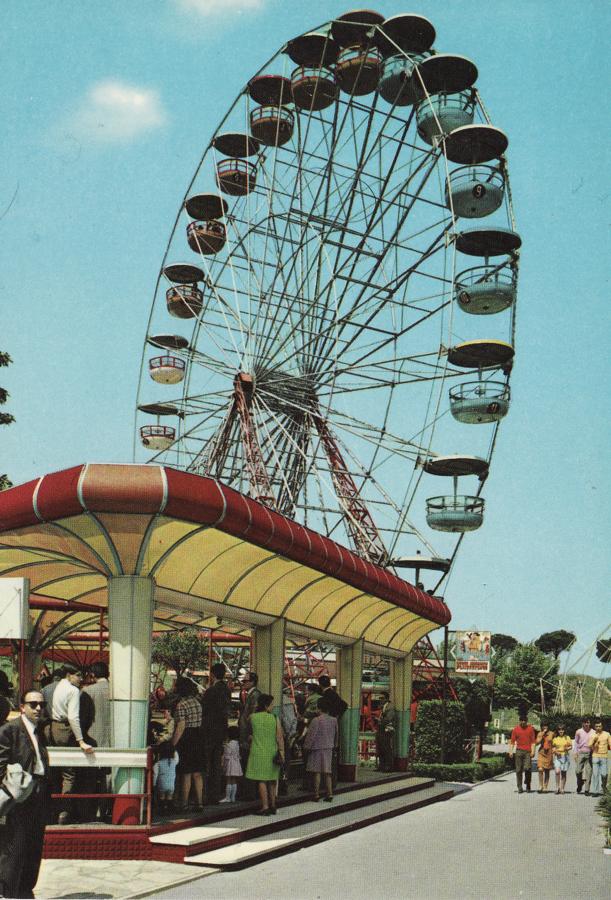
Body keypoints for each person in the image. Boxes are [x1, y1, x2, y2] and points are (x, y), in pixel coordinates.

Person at [0, 690, 50, 899]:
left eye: (41, 704)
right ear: (22, 707)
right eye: (33, 704)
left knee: (34, 841)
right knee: (15, 843)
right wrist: (14, 788)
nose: (38, 708)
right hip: (18, 795)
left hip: (39, 792)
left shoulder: (39, 731)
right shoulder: (9, 730)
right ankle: (8, 890)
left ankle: (25, 888)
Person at [44, 666, 93, 823]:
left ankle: (50, 809)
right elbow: (73, 717)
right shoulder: (73, 691)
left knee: (51, 770)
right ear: (68, 675)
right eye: (78, 675)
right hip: (64, 729)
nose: (80, 679)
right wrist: (80, 740)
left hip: (47, 728)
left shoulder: (46, 688)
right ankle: (63, 812)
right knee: (68, 773)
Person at [246, 693, 284, 816]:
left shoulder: (252, 717)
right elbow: (279, 737)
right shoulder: (274, 718)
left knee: (261, 780)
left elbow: (248, 733)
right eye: (271, 704)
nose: (273, 707)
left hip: (258, 752)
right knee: (272, 780)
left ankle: (265, 806)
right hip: (272, 752)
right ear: (266, 705)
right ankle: (273, 805)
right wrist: (282, 752)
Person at [170, 676, 205, 811]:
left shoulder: (181, 705)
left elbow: (181, 726)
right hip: (198, 736)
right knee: (197, 773)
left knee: (186, 773)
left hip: (187, 739)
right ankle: (199, 803)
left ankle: (184, 803)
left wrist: (173, 743)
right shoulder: (197, 702)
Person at [201, 662, 231, 804]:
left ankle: (205, 794)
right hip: (221, 730)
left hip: (208, 731)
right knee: (216, 764)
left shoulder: (210, 691)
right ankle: (216, 794)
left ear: (212, 675)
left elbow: (204, 710)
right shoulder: (227, 690)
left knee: (206, 763)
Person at [303, 694, 338, 802]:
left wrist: (306, 747)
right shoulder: (334, 720)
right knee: (327, 772)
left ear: (319, 708)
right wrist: (335, 745)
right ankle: (330, 794)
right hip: (328, 748)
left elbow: (311, 736)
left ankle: (316, 794)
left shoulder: (316, 720)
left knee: (316, 772)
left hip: (316, 749)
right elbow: (337, 734)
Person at [238, 672, 261, 799]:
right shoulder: (251, 695)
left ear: (252, 682)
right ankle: (249, 792)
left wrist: (251, 733)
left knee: (248, 763)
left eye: (245, 681)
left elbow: (253, 715)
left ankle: (249, 793)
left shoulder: (255, 695)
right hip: (246, 734)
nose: (243, 683)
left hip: (248, 735)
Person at [508, 715, 537, 793]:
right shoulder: (516, 729)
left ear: (527, 721)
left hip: (528, 752)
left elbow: (533, 742)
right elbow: (512, 742)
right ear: (520, 721)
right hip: (519, 751)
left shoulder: (530, 729)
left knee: (527, 768)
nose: (523, 722)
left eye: (525, 720)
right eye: (522, 720)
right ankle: (519, 787)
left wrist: (533, 751)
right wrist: (510, 751)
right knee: (518, 770)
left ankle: (528, 783)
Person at [220, 725, 242, 803]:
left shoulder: (228, 745)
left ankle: (227, 797)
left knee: (228, 780)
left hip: (230, 763)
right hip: (236, 763)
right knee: (234, 780)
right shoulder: (237, 744)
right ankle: (233, 797)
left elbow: (226, 755)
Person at [588, 720, 610, 797]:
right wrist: (594, 743)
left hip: (604, 756)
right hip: (595, 756)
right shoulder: (592, 735)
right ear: (594, 727)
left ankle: (604, 786)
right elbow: (589, 746)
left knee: (604, 774)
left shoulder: (607, 734)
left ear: (602, 726)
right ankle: (595, 791)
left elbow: (610, 745)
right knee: (595, 774)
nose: (598, 728)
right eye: (596, 726)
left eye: (599, 726)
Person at [376, 692, 396, 773]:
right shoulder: (384, 707)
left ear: (387, 699)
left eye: (382, 698)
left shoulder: (390, 707)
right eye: (380, 698)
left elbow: (389, 718)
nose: (380, 700)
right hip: (382, 729)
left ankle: (388, 766)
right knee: (380, 748)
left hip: (386, 729)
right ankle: (382, 766)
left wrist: (380, 720)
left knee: (385, 748)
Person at [573, 717, 594, 795]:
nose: (586, 724)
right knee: (578, 771)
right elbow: (576, 743)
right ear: (582, 723)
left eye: (588, 722)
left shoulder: (593, 732)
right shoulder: (578, 732)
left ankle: (587, 790)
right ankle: (580, 783)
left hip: (590, 753)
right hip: (581, 753)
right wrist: (575, 752)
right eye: (585, 723)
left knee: (589, 771)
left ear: (590, 723)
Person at [552, 724, 572, 794]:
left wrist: (567, 748)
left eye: (562, 730)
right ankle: (557, 787)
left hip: (565, 756)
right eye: (559, 730)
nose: (561, 731)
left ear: (564, 730)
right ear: (557, 731)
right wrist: (555, 751)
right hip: (558, 756)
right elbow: (553, 748)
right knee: (557, 772)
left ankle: (562, 788)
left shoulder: (567, 737)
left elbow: (570, 746)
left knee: (563, 773)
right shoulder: (555, 738)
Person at [536, 723, 554, 793]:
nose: (545, 727)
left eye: (546, 726)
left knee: (547, 771)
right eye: (543, 726)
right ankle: (541, 786)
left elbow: (554, 743)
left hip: (549, 753)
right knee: (540, 769)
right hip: (541, 752)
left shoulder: (552, 734)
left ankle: (545, 786)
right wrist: (542, 735)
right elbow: (537, 742)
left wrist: (554, 750)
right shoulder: (540, 733)